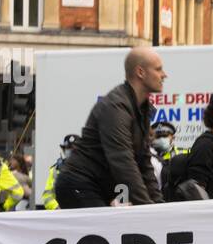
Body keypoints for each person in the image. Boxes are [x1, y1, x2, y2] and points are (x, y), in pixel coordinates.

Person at [54, 46, 165, 209]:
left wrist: (160, 208)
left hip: (96, 187)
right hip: (79, 185)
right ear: (140, 72)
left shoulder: (142, 108)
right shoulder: (116, 107)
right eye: (158, 69)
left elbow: (144, 163)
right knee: (101, 233)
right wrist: (148, 209)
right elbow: (123, 161)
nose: (164, 75)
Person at [41, 134, 78, 211]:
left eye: (73, 149)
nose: (70, 151)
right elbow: (47, 196)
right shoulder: (55, 170)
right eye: (68, 148)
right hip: (62, 214)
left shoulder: (88, 169)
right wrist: (57, 209)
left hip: (83, 214)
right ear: (64, 150)